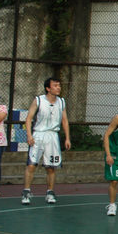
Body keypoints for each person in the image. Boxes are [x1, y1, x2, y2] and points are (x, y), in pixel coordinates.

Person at [21, 77, 71, 205]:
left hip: (52, 136)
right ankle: (26, 192)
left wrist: (67, 138)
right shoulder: (38, 100)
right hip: (38, 135)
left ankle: (50, 192)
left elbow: (65, 120)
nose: (58, 88)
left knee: (51, 167)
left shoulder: (61, 102)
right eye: (55, 85)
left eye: (59, 85)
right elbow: (28, 119)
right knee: (31, 165)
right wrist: (29, 135)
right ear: (48, 88)